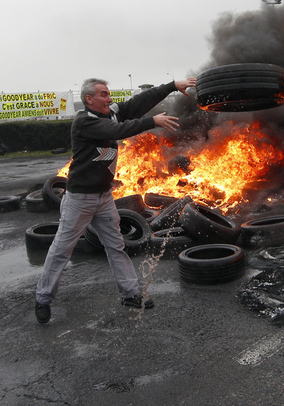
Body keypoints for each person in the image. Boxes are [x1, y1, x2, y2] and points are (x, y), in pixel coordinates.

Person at [35, 76, 196, 324]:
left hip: (104, 197)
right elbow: (116, 131)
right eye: (103, 94)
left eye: (108, 94)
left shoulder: (110, 113)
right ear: (89, 99)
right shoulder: (84, 122)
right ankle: (43, 298)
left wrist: (172, 86)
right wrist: (152, 121)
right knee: (61, 250)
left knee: (116, 245)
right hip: (79, 198)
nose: (109, 98)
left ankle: (130, 293)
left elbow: (136, 104)